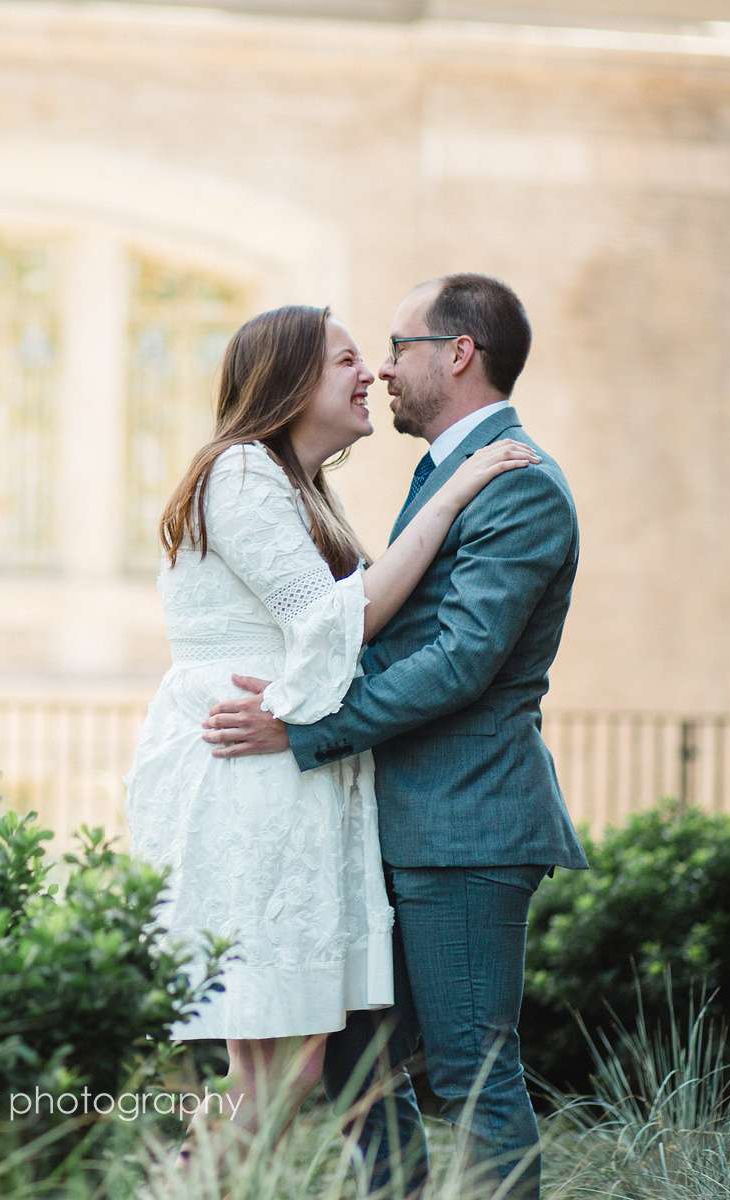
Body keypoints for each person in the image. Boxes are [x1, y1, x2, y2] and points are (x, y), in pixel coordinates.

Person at [120, 301, 539, 1166]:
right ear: (288, 381)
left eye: (376, 355)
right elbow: (328, 623)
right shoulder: (239, 474)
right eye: (348, 359)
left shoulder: (298, 486)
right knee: (280, 1066)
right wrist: (457, 489)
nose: (372, 373)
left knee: (288, 1064)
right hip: (249, 771)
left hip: (290, 776)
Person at [197, 274, 589, 1199]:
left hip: (465, 828)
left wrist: (300, 733)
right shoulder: (452, 472)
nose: (382, 367)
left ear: (458, 353)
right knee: (358, 1071)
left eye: (398, 347)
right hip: (407, 821)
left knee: (471, 1077)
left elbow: (458, 662)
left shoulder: (518, 483)